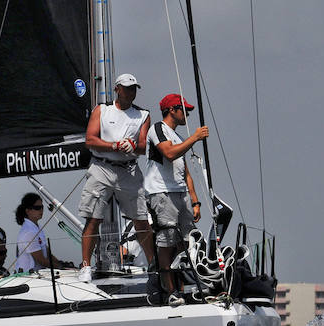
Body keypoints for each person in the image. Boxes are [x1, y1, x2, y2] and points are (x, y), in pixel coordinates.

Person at [77, 73, 156, 282]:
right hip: (102, 167)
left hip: (128, 170)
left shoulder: (143, 115)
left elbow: (143, 146)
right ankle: (86, 266)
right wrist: (114, 145)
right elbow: (90, 139)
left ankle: (153, 263)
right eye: (127, 88)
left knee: (141, 219)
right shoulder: (102, 110)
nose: (131, 92)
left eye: (134, 88)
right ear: (117, 89)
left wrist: (133, 147)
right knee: (93, 218)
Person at [144, 93, 210, 306]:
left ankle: (181, 285)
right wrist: (195, 137)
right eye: (185, 110)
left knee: (188, 242)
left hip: (180, 194)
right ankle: (171, 291)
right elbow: (169, 153)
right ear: (172, 110)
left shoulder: (179, 136)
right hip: (162, 193)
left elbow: (186, 171)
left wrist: (195, 200)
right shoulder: (158, 129)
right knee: (166, 242)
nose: (187, 114)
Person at [14, 193, 72, 272]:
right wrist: (61, 267)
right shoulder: (28, 232)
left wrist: (60, 263)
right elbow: (41, 260)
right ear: (27, 210)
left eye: (42, 207)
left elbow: (46, 252)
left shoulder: (37, 227)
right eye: (37, 208)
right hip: (28, 275)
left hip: (39, 273)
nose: (41, 210)